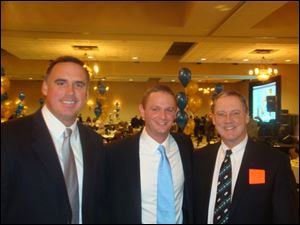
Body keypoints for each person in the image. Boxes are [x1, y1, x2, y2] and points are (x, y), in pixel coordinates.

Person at [1, 56, 106, 224]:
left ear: (86, 93)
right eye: (61, 83)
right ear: (45, 87)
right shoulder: (8, 137)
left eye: (79, 85)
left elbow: (98, 204)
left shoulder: (94, 142)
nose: (70, 92)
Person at [192, 90, 299, 224]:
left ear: (247, 116)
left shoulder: (275, 162)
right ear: (213, 119)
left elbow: (287, 218)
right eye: (221, 114)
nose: (228, 120)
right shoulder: (197, 159)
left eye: (235, 113)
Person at [105, 85, 194, 224]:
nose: (163, 116)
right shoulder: (116, 153)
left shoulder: (185, 145)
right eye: (155, 109)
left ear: (176, 112)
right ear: (142, 110)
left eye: (169, 110)